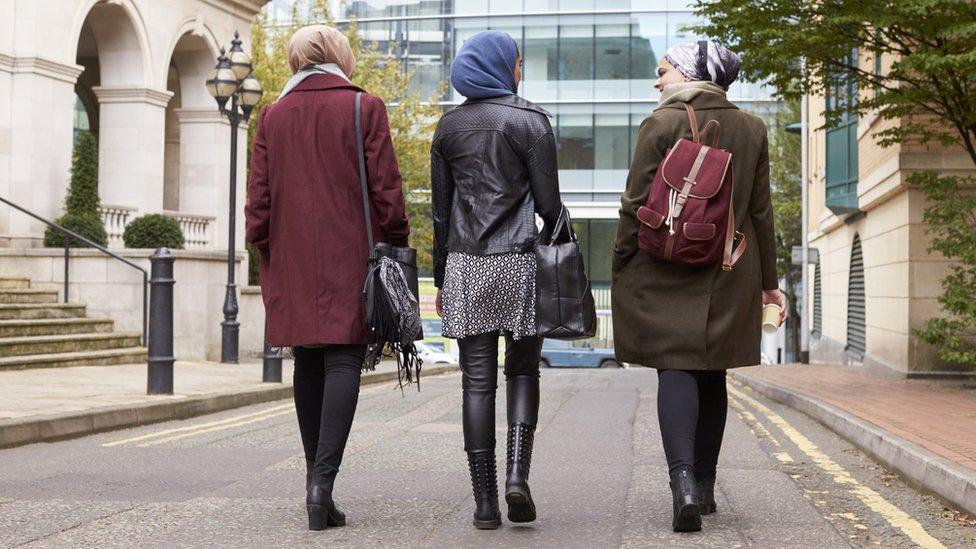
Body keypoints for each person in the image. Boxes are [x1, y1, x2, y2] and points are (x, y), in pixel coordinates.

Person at [611, 41, 788, 533]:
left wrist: (622, 258)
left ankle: (683, 482)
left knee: (676, 367)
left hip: (668, 264)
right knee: (713, 372)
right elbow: (760, 212)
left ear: (689, 74)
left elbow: (635, 203)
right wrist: (768, 284)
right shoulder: (752, 128)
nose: (657, 81)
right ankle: (705, 488)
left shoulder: (661, 124)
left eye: (663, 71)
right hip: (732, 267)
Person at [245, 24, 410, 531]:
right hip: (352, 255)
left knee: (308, 361)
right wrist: (396, 241)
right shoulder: (364, 107)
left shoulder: (271, 116)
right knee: (343, 358)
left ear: (295, 62)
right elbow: (387, 191)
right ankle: (323, 487)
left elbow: (258, 206)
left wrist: (269, 248)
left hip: (291, 258)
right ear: (341, 57)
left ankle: (315, 486)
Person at [430, 30, 562, 530]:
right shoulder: (532, 121)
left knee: (476, 385)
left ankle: (484, 503)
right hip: (520, 263)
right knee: (523, 373)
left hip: (465, 264)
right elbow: (549, 208)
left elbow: (442, 214)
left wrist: (442, 276)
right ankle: (516, 478)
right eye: (518, 62)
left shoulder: (448, 128)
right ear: (505, 67)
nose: (521, 70)